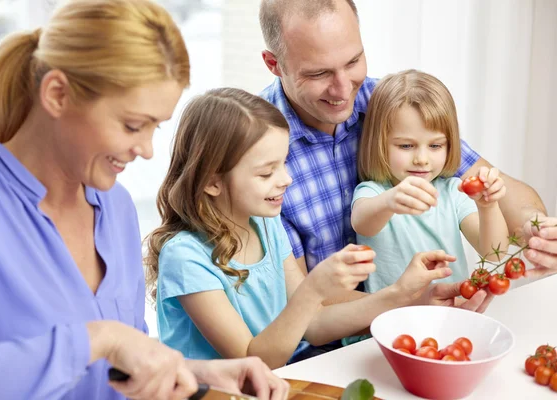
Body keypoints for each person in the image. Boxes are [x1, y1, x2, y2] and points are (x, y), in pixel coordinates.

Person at [0, 1, 289, 399]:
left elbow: (116, 371)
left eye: (155, 127)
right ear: (58, 94)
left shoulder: (115, 207)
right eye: (133, 125)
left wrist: (199, 373)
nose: (147, 150)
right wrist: (99, 338)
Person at [258, 0, 557, 356]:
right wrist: (409, 303)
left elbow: (504, 196)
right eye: (319, 74)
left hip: (438, 325)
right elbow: (308, 302)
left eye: (353, 61)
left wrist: (534, 229)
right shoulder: (258, 148)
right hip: (330, 348)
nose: (342, 90)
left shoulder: (390, 103)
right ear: (274, 64)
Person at [147, 87, 460, 369]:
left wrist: (404, 296)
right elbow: (254, 361)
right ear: (212, 182)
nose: (285, 179)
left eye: (283, 163)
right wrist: (314, 289)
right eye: (266, 172)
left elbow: (315, 324)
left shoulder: (266, 226)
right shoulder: (185, 257)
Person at [342, 70, 509, 345]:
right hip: (390, 330)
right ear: (379, 144)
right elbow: (362, 222)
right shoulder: (374, 192)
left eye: (435, 145)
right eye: (406, 145)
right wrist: (391, 201)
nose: (421, 159)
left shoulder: (453, 192)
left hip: (447, 326)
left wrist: (488, 207)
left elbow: (495, 253)